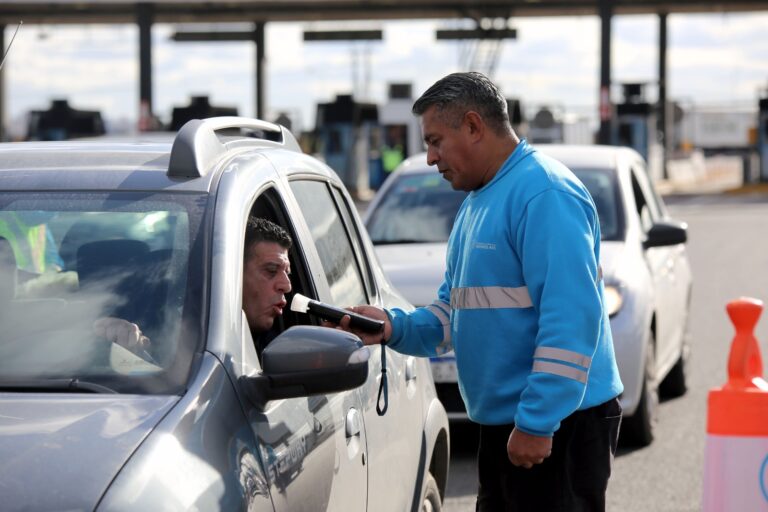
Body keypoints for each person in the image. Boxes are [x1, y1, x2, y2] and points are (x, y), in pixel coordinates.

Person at [331, 72, 623, 511]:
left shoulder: (545, 193)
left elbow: (571, 321)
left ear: (472, 125)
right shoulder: (477, 203)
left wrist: (538, 421)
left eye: (435, 141)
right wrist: (394, 327)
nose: (430, 157)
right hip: (510, 422)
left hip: (559, 425)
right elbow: (454, 311)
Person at [96, 217, 292, 358]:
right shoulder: (156, 318)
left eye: (287, 273)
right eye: (271, 270)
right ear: (230, 272)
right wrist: (117, 336)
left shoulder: (281, 343)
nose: (287, 285)